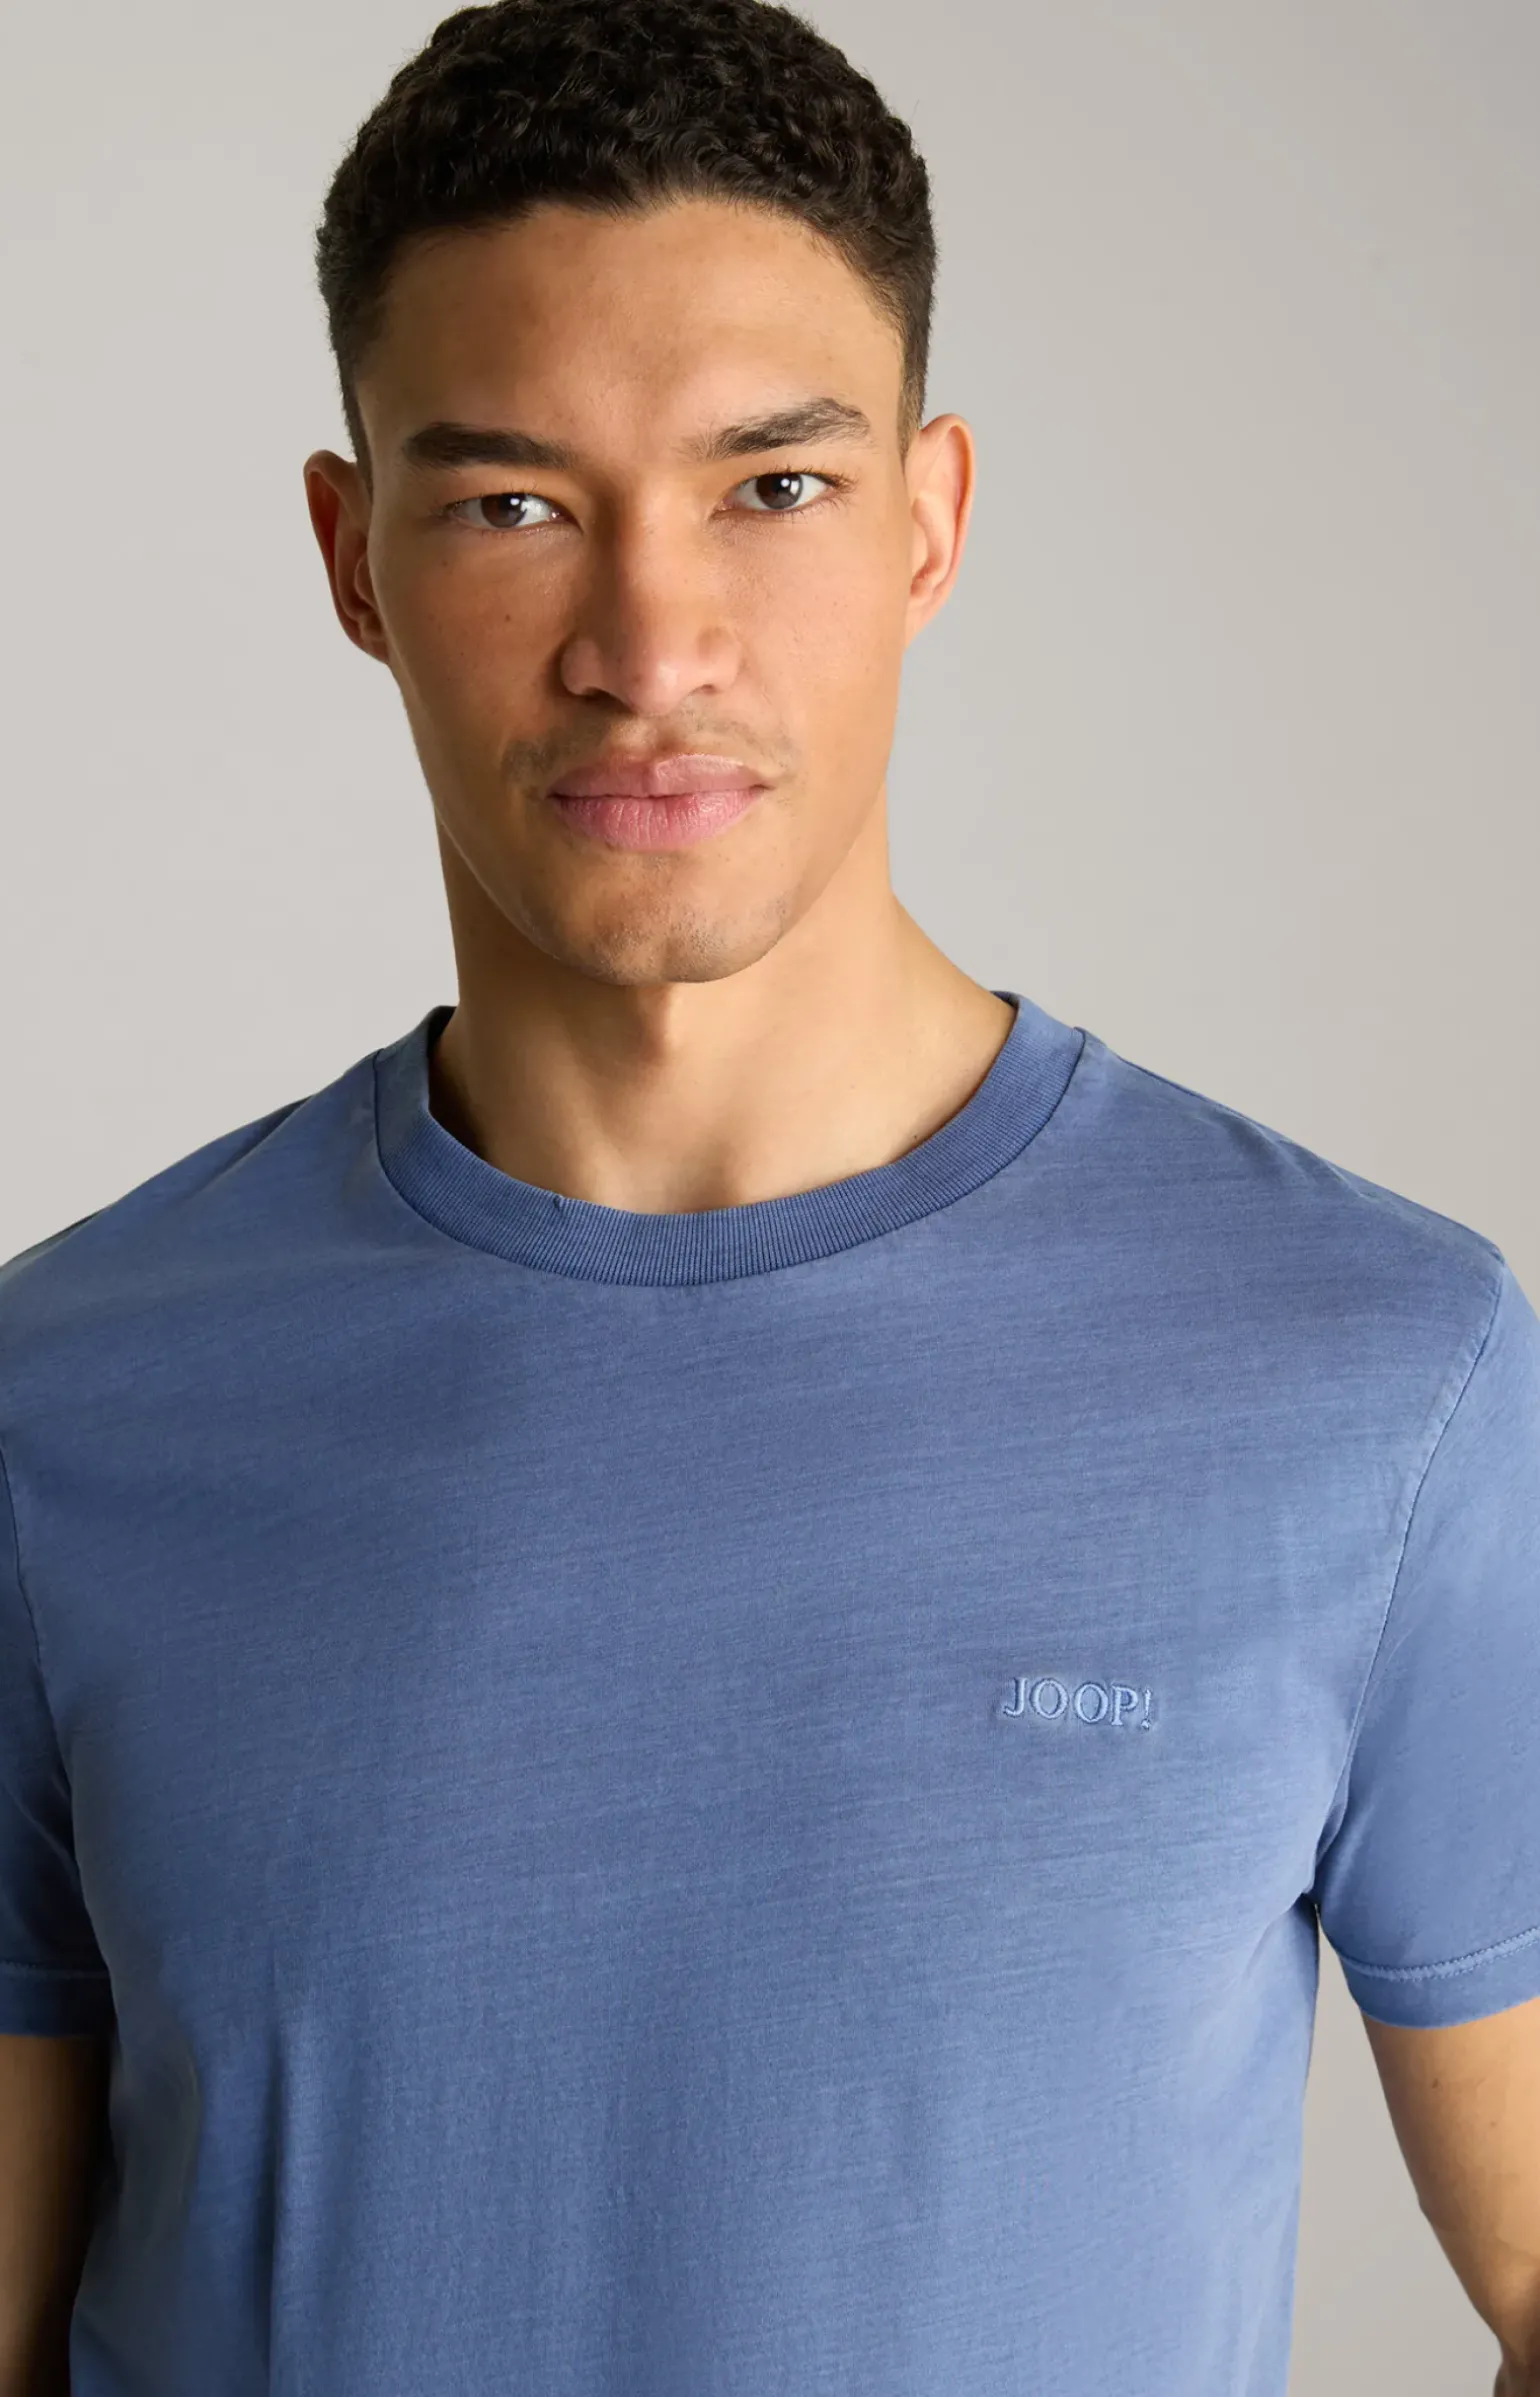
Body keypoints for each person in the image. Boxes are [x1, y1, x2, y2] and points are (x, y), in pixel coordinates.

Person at [2, 1, 1538, 2390]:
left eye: (771, 486)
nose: (649, 648)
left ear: (925, 518)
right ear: (351, 553)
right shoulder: (60, 1411)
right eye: (512, 504)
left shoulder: (1379, 1376)